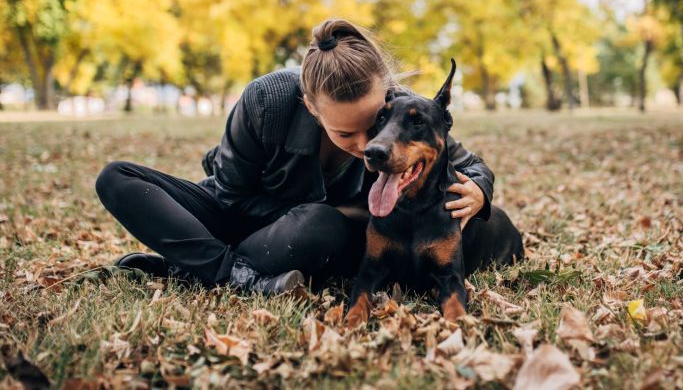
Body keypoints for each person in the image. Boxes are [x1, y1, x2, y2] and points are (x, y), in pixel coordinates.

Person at [96, 18, 523, 295]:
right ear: (311, 106)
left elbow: (469, 164)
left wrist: (480, 192)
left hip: (310, 237)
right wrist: (311, 210)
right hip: (242, 219)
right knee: (117, 178)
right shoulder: (266, 100)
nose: (363, 145)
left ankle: (191, 266)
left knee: (317, 226)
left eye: (371, 125)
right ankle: (234, 276)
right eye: (343, 132)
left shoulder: (400, 109)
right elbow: (228, 198)